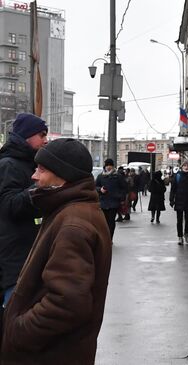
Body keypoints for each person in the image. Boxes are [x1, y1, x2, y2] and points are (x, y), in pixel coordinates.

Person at [1, 138, 112, 364]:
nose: (33, 176)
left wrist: (18, 330)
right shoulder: (68, 210)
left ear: (63, 175)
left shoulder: (73, 224)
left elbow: (67, 303)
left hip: (50, 354)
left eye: (41, 169)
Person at [0, 113, 48, 306]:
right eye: (42, 135)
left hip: (27, 258)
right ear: (26, 135)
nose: (46, 140)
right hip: (15, 263)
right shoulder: (8, 165)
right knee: (16, 324)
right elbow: (10, 205)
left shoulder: (29, 164)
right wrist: (41, 187)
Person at [95, 158, 127, 240]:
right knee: (104, 222)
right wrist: (100, 190)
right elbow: (95, 187)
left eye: (110, 165)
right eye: (107, 165)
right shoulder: (100, 176)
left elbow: (124, 188)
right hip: (103, 202)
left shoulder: (117, 176)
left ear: (113, 166)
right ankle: (105, 237)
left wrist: (121, 197)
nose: (108, 167)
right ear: (105, 166)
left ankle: (109, 238)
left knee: (111, 221)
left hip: (114, 202)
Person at [170, 160, 188, 245]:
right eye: (185, 166)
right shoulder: (178, 176)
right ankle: (180, 237)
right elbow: (173, 190)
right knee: (179, 220)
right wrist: (171, 200)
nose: (186, 167)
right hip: (179, 201)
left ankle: (186, 233)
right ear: (182, 167)